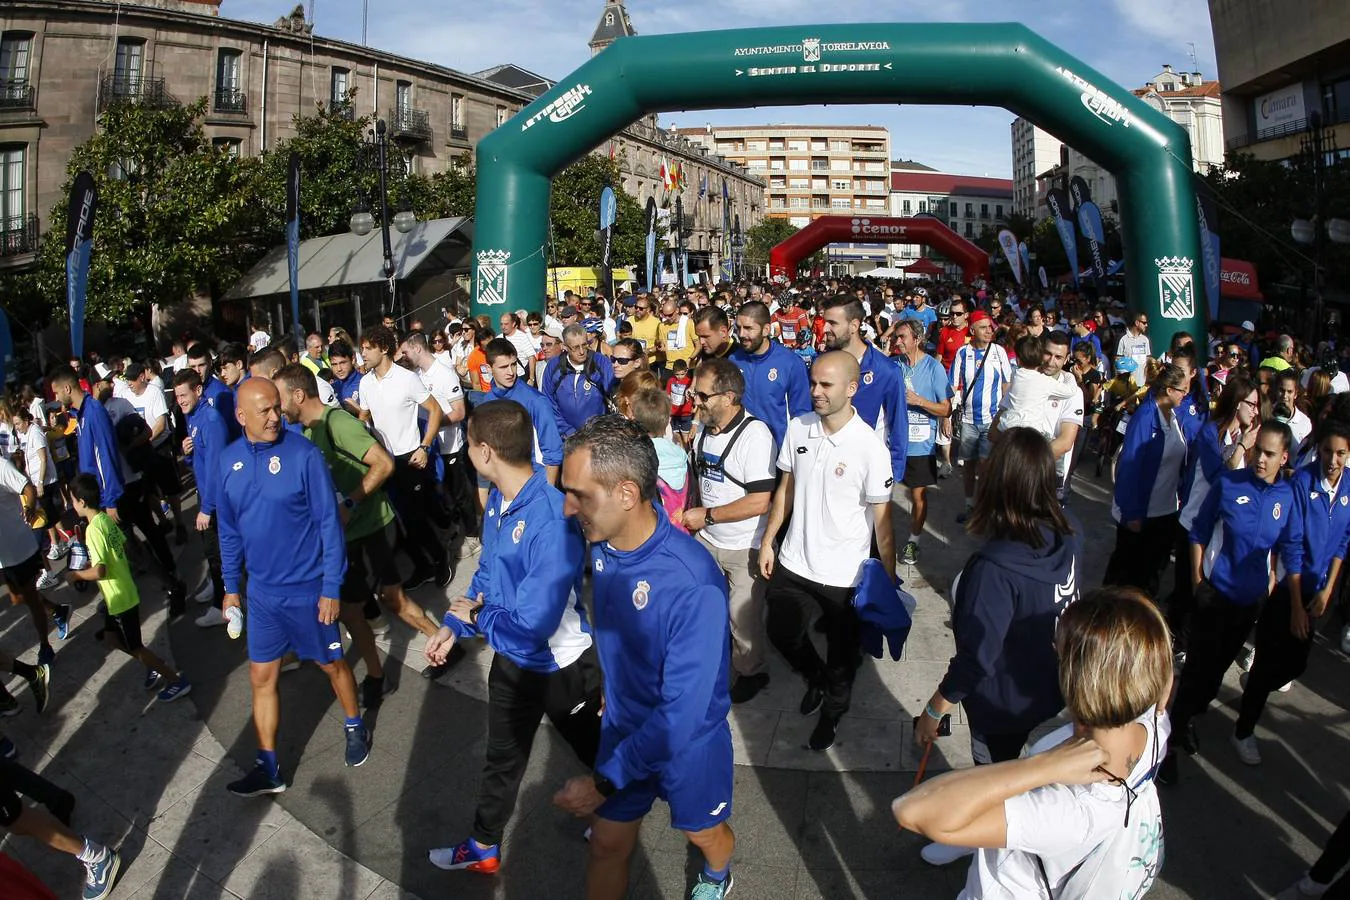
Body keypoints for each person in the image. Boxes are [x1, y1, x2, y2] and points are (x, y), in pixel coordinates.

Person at [553, 415, 735, 900]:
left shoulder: (692, 583)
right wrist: (613, 687)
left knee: (703, 834)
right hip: (625, 727)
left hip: (687, 743)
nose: (568, 508)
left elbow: (681, 714)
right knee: (607, 846)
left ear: (627, 495)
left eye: (580, 494)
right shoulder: (605, 546)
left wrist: (603, 780)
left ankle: (717, 872)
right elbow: (615, 629)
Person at [895, 586, 1171, 900]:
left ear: (1077, 677)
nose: (1053, 646)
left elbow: (912, 810)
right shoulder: (1154, 722)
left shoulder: (1070, 809)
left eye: (1060, 650)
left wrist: (1042, 766)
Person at [424, 400, 602, 874]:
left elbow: (538, 621)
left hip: (562, 667)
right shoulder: (499, 501)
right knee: (501, 758)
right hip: (512, 659)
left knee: (603, 755)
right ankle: (484, 845)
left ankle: (621, 813)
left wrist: (478, 622)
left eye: (468, 447)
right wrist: (453, 626)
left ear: (484, 452)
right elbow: (487, 574)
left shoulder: (551, 515)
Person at [913, 427, 1081, 868]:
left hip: (1002, 704)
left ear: (999, 481)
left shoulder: (994, 570)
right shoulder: (1068, 532)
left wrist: (934, 710)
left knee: (994, 779)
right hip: (1051, 688)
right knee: (1026, 778)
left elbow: (977, 659)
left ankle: (988, 852)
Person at [218, 378, 370, 796]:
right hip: (263, 596)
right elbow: (229, 531)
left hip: (310, 591)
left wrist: (331, 587)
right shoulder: (228, 462)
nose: (274, 416)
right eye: (263, 411)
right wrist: (231, 587)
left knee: (332, 666)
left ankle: (355, 723)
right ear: (241, 416)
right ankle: (268, 767)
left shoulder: (303, 454)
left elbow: (328, 523)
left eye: (275, 407)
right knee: (260, 677)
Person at [760, 351, 896, 752]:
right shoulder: (798, 427)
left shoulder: (870, 447)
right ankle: (813, 678)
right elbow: (785, 489)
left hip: (844, 576)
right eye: (813, 383)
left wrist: (885, 580)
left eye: (826, 385)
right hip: (794, 561)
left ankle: (833, 712)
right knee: (781, 633)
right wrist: (770, 540)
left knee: (842, 659)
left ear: (852, 389)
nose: (815, 392)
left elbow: (883, 523)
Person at [1158, 420, 1302, 785]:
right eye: (1258, 451)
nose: (1260, 460)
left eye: (1270, 454)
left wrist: (1272, 581)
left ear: (1284, 457)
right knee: (1195, 674)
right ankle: (1167, 746)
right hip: (1215, 597)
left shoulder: (1287, 498)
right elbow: (1199, 532)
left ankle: (1188, 717)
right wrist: (1197, 582)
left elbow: (1286, 547)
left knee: (1216, 674)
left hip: (1249, 604)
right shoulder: (1228, 484)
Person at [1230, 421, 1350, 766]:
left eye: (1341, 453)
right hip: (1287, 590)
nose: (1333, 460)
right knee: (1269, 659)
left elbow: (1343, 542)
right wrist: (1296, 606)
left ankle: (1257, 683)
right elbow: (1292, 546)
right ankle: (1242, 732)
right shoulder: (1301, 483)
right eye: (1327, 451)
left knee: (1295, 664)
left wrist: (1328, 590)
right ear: (1320, 449)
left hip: (1317, 594)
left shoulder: (1348, 487)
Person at [684, 358, 777, 704]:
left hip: (743, 547)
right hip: (707, 542)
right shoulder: (706, 428)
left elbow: (760, 502)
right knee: (709, 610)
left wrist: (706, 516)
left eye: (703, 396)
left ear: (728, 397)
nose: (696, 402)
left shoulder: (755, 436)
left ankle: (752, 671)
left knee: (744, 621)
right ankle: (719, 661)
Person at [64, 473, 191, 700]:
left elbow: (100, 570)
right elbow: (120, 548)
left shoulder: (94, 530)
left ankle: (176, 679)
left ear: (82, 502)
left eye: (72, 500)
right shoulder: (105, 520)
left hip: (120, 599)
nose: (71, 505)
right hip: (121, 594)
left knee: (135, 647)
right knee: (112, 639)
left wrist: (76, 575)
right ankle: (151, 663)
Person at [358, 324, 452, 591]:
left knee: (416, 519)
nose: (362, 353)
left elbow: (434, 410)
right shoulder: (365, 383)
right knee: (398, 521)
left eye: (367, 348)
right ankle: (421, 566)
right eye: (362, 348)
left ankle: (439, 558)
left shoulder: (406, 378)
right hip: (383, 462)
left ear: (384, 348)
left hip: (410, 459)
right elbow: (364, 418)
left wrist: (424, 447)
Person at [1102, 364, 1192, 597]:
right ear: (1169, 390)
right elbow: (1129, 466)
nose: (1186, 395)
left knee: (1150, 577)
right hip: (1141, 514)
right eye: (1183, 390)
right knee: (1124, 578)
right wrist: (1132, 513)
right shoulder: (1145, 417)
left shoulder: (1172, 414)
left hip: (1165, 511)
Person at [820, 294, 910, 482]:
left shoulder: (886, 371)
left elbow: (899, 425)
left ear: (854, 326)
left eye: (832, 323)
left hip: (867, 473)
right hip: (825, 467)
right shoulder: (819, 364)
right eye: (824, 322)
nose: (825, 328)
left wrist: (894, 474)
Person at [171, 370, 232, 629]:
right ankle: (219, 594)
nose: (181, 401)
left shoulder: (211, 420)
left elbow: (218, 468)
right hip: (206, 495)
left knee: (219, 555)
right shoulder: (193, 418)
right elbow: (200, 461)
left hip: (216, 502)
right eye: (177, 397)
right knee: (212, 553)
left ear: (198, 391)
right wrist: (187, 454)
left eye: (184, 395)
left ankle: (223, 606)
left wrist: (207, 509)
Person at [893, 319, 953, 564]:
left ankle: (913, 541)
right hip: (894, 443)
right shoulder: (893, 365)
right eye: (896, 337)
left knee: (917, 496)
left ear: (916, 339)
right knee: (880, 495)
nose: (897, 342)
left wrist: (918, 401)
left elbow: (945, 409)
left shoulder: (933, 368)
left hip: (921, 445)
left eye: (902, 337)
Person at [949, 311, 1012, 521]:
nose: (989, 331)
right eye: (984, 327)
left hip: (992, 421)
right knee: (968, 465)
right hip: (968, 421)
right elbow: (953, 385)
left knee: (986, 466)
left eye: (990, 327)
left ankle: (984, 508)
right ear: (972, 330)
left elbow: (1006, 383)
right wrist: (946, 416)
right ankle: (969, 505)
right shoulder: (962, 353)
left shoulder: (999, 351)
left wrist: (1004, 415)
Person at [478, 338, 564, 488]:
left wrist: (547, 492)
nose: (511, 372)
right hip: (502, 486)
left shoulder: (535, 400)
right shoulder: (487, 402)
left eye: (513, 364)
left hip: (534, 484)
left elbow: (553, 451)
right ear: (489, 367)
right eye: (503, 367)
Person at [728, 300, 811, 449]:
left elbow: (801, 415)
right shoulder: (734, 360)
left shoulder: (791, 363)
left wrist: (793, 456)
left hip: (778, 450)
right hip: (740, 448)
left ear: (766, 330)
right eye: (738, 328)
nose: (741, 334)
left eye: (748, 328)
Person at [541, 324, 615, 438]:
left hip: (597, 435)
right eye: (575, 347)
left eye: (584, 345)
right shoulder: (554, 366)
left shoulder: (600, 362)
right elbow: (548, 401)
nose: (581, 351)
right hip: (566, 437)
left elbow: (613, 390)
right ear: (565, 346)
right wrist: (567, 431)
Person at [1114, 310, 1151, 388]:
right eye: (1144, 323)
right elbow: (1117, 360)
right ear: (1137, 323)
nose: (1146, 325)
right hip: (1127, 386)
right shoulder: (1122, 338)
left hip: (1142, 385)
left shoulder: (1145, 340)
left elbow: (1148, 361)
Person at [328, 341, 363, 417]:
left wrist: (359, 411)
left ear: (353, 359)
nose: (339, 369)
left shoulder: (365, 383)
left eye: (343, 363)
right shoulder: (330, 388)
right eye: (334, 364)